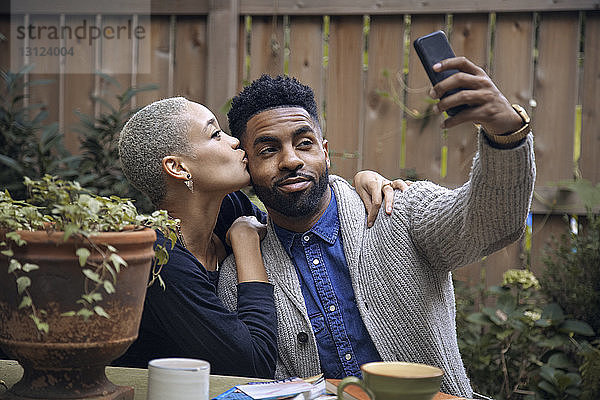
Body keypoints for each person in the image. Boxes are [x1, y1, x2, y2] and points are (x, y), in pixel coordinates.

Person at [217, 56, 536, 397]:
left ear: (326, 152)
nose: (292, 160)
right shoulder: (243, 277)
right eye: (268, 150)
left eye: (304, 143)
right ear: (247, 167)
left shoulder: (397, 210)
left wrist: (505, 132)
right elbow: (262, 385)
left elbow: (492, 222)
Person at [114, 97, 408, 378]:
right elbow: (253, 365)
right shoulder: (161, 260)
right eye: (215, 134)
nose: (235, 142)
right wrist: (246, 246)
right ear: (178, 168)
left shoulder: (226, 209)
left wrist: (356, 185)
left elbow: (293, 212)